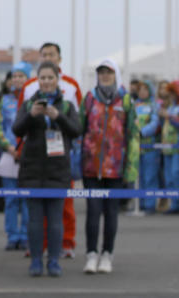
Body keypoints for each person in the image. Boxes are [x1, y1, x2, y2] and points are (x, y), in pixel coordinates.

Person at [12, 61, 79, 278]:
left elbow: (77, 130)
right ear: (38, 80)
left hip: (58, 170)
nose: (47, 82)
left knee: (56, 220)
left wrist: (56, 116)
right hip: (32, 169)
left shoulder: (67, 104)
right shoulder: (29, 103)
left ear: (57, 79)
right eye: (43, 78)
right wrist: (32, 114)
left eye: (51, 78)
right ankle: (35, 261)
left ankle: (53, 260)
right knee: (34, 220)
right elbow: (17, 129)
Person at [78, 59, 139, 275]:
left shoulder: (126, 100)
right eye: (101, 72)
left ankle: (107, 254)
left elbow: (132, 135)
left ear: (116, 75)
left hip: (116, 166)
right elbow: (79, 129)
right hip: (91, 166)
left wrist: (130, 168)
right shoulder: (89, 98)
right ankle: (91, 254)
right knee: (93, 212)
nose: (105, 76)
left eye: (109, 72)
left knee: (111, 212)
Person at [0, 68, 28, 251]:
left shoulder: (32, 101)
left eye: (21, 76)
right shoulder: (5, 101)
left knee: (26, 199)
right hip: (9, 155)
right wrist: (7, 147)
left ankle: (25, 235)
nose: (17, 79)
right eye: (14, 76)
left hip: (27, 156)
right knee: (10, 200)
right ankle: (12, 235)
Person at [134, 80, 161, 213]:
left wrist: (142, 132)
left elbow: (155, 122)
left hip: (150, 146)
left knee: (150, 176)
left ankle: (150, 204)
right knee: (140, 177)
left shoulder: (153, 105)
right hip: (136, 147)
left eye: (145, 89)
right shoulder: (135, 105)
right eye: (140, 89)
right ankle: (140, 204)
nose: (142, 92)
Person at [160, 82, 179, 213]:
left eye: (172, 93)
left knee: (175, 174)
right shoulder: (171, 107)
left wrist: (169, 116)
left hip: (177, 148)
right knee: (168, 176)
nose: (170, 96)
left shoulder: (173, 110)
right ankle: (174, 204)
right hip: (167, 147)